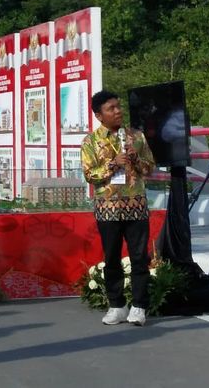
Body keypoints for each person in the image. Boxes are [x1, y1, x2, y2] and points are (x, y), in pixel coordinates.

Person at [81, 90, 156, 327]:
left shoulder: (137, 136)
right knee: (111, 257)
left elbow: (150, 169)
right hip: (108, 207)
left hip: (136, 206)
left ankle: (140, 306)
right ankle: (116, 305)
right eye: (111, 109)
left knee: (139, 257)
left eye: (118, 107)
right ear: (99, 115)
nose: (117, 111)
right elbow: (89, 175)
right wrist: (113, 164)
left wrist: (136, 160)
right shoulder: (90, 141)